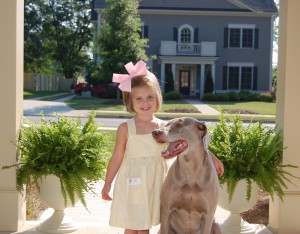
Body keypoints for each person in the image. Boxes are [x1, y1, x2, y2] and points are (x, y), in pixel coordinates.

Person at [101, 61, 224, 234]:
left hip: (154, 183)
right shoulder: (125, 128)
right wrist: (107, 183)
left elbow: (191, 141)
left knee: (145, 225)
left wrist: (213, 157)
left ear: (157, 97)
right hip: (132, 182)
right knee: (131, 223)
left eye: (150, 97)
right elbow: (116, 157)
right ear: (130, 101)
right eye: (139, 98)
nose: (145, 103)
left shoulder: (164, 128)